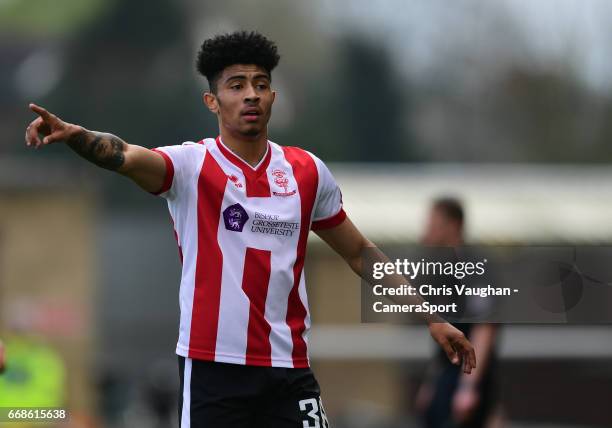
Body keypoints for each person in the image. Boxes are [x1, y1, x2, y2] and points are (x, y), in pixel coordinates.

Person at [25, 31, 475, 428]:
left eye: (261, 84)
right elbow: (123, 155)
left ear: (274, 96)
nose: (251, 95)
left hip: (288, 369)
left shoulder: (307, 172)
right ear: (212, 101)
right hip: (213, 369)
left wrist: (433, 316)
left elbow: (359, 252)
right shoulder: (191, 166)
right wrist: (77, 136)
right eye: (236, 85)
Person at [415, 197, 500, 428]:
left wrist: (468, 387)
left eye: (433, 224)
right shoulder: (439, 271)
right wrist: (432, 382)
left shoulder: (474, 268)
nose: (426, 232)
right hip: (446, 379)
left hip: (465, 377)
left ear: (453, 226)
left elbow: (485, 327)